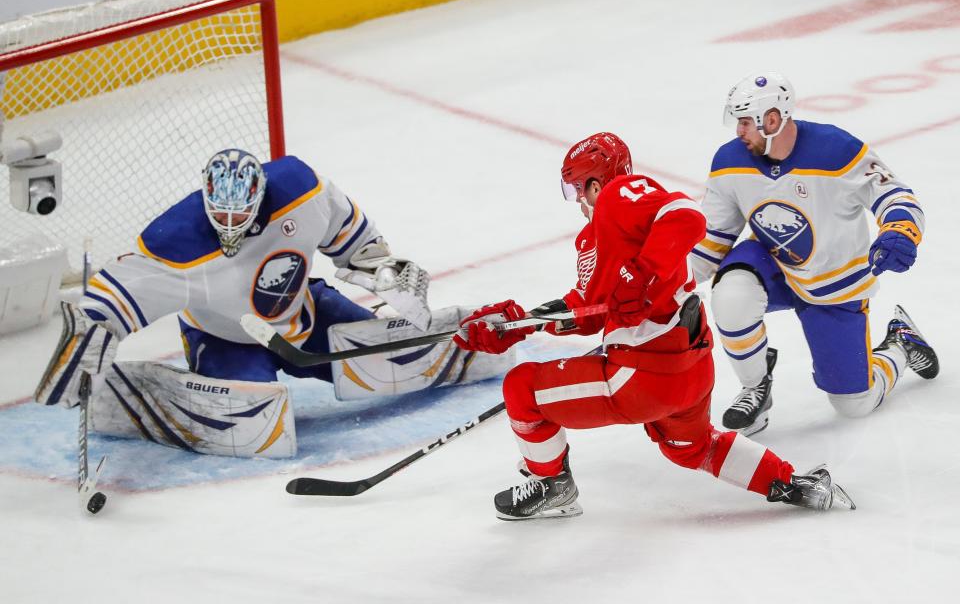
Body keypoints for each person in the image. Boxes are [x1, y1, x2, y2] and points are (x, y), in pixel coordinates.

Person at [453, 132, 854, 520]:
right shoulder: (602, 237)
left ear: (596, 183)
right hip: (690, 373)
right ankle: (794, 484)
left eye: (577, 189)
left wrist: (644, 273)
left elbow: (686, 216)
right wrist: (516, 324)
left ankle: (551, 485)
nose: (577, 202)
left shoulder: (619, 196)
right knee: (691, 447)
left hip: (641, 376)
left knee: (521, 387)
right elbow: (588, 309)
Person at [34, 150, 504, 457]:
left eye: (242, 214)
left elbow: (357, 246)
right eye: (222, 216)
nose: (231, 227)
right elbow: (112, 294)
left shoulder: (302, 189)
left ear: (260, 196)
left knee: (387, 364)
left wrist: (389, 276)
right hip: (225, 339)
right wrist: (89, 330)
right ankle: (138, 391)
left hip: (306, 314)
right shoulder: (175, 239)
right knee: (259, 426)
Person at [691, 72, 939, 436]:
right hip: (772, 264)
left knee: (854, 404)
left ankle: (900, 343)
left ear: (771, 119)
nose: (739, 131)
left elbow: (896, 195)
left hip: (835, 280)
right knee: (731, 293)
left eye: (746, 122)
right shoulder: (730, 161)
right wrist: (665, 282)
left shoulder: (836, 150)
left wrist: (900, 230)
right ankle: (755, 387)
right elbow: (712, 239)